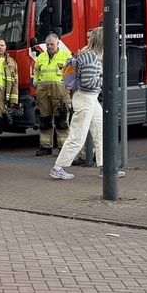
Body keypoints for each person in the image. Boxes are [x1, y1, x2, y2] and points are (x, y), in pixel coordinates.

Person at [49, 28, 124, 180]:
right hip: (86, 98)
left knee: (100, 131)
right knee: (78, 135)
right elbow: (88, 82)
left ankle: (106, 167)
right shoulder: (91, 56)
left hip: (89, 98)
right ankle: (58, 167)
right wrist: (106, 79)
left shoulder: (88, 53)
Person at [31, 34, 72, 156]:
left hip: (60, 92)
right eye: (48, 44)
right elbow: (36, 73)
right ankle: (45, 147)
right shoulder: (41, 57)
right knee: (45, 121)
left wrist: (67, 88)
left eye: (52, 44)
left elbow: (71, 74)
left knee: (61, 120)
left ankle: (63, 148)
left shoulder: (66, 56)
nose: (49, 47)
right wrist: (36, 84)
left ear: (57, 44)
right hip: (43, 92)